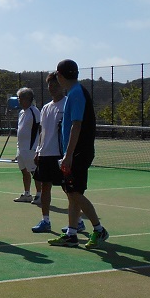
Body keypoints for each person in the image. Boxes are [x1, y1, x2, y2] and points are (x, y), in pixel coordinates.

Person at [48, 59, 108, 249]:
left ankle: (99, 229)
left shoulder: (76, 94)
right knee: (71, 193)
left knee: (74, 192)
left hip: (79, 152)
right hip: (75, 152)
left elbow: (77, 124)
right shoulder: (75, 93)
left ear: (60, 75)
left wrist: (69, 154)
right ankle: (71, 234)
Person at [30, 72, 87, 233]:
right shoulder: (46, 108)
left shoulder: (67, 104)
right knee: (45, 187)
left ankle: (79, 221)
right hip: (45, 155)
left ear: (61, 85)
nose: (52, 88)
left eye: (55, 85)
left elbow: (75, 128)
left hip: (60, 156)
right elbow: (43, 132)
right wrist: (38, 151)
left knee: (69, 190)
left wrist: (67, 155)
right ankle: (45, 221)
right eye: (49, 85)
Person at [13, 87, 42, 204]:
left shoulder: (35, 111)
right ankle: (27, 194)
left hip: (32, 149)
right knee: (24, 171)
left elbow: (41, 129)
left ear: (28, 98)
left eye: (20, 98)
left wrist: (38, 148)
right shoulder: (21, 112)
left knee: (35, 172)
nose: (19, 100)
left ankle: (39, 195)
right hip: (21, 148)